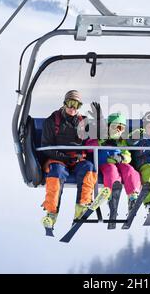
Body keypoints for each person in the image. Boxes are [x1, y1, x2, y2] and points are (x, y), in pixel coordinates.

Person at [40, 90, 98, 230]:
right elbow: (46, 147)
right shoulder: (52, 121)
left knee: (89, 168)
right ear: (64, 103)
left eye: (77, 105)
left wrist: (98, 121)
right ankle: (51, 213)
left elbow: (97, 139)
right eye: (70, 104)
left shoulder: (83, 122)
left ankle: (81, 207)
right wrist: (65, 157)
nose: (73, 108)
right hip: (58, 159)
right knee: (57, 173)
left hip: (77, 160)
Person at [86, 113, 141, 211]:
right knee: (111, 170)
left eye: (121, 128)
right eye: (116, 126)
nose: (118, 130)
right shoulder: (101, 136)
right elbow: (88, 147)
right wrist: (100, 141)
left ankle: (133, 195)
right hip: (105, 163)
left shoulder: (121, 141)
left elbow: (128, 155)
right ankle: (111, 194)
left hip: (119, 162)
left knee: (129, 169)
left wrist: (122, 158)